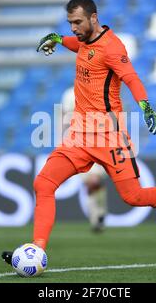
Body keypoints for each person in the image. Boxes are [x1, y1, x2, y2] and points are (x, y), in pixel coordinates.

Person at [2, 0, 156, 264]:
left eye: (77, 22)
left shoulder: (112, 47)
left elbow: (131, 78)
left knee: (135, 196)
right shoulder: (83, 41)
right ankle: (37, 250)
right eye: (70, 23)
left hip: (110, 136)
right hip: (80, 135)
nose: (73, 28)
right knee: (43, 183)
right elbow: (78, 46)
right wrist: (58, 40)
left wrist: (147, 109)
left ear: (94, 18)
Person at [61, 87, 108, 233]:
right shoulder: (69, 94)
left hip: (101, 141)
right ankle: (96, 218)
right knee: (92, 183)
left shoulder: (98, 90)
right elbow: (65, 119)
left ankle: (100, 213)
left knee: (96, 183)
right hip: (79, 143)